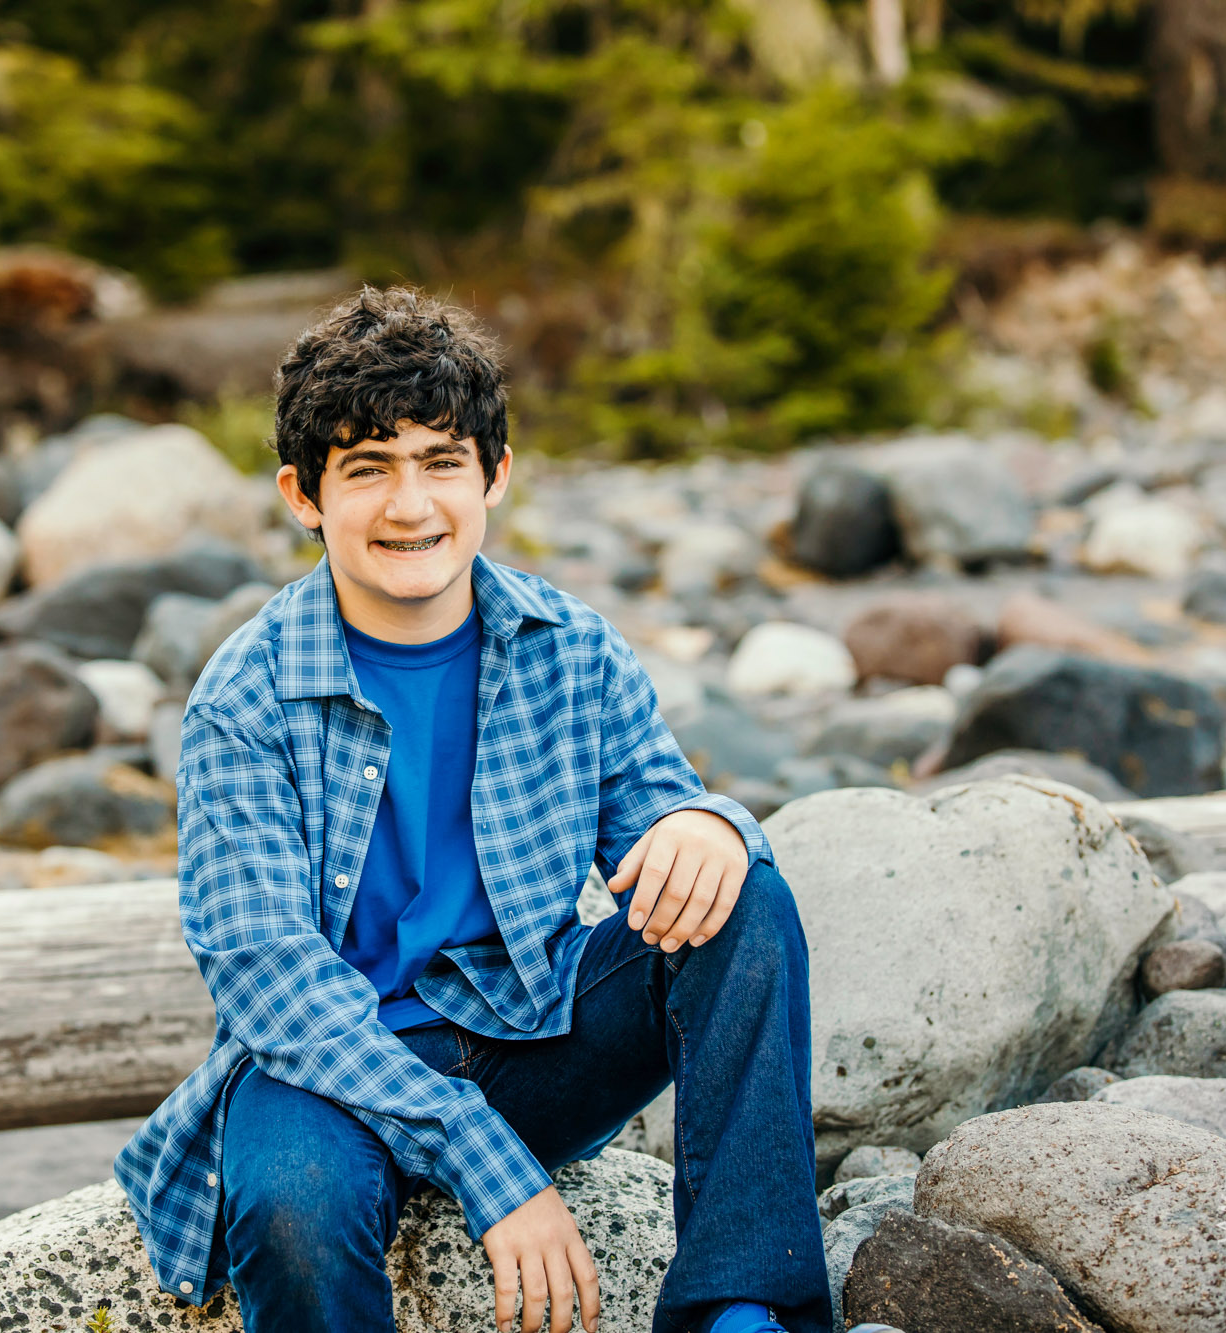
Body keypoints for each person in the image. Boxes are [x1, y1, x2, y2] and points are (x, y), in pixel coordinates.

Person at [113, 286, 836, 1333]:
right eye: (367, 469)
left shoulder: (568, 645)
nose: (411, 507)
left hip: (530, 1028)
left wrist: (705, 821)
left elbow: (656, 821)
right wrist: (492, 1171)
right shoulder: (245, 696)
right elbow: (269, 982)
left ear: (492, 475)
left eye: (440, 462)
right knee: (290, 1207)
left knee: (740, 897)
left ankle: (742, 1314)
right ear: (301, 495)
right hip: (326, 1070)